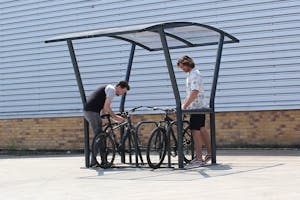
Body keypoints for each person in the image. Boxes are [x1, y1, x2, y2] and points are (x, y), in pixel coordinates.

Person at [83, 81, 130, 167]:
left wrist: (109, 117)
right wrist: (116, 118)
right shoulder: (112, 90)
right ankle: (94, 162)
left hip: (92, 112)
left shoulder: (108, 88)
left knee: (102, 136)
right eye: (123, 91)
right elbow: (106, 107)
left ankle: (103, 161)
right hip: (92, 112)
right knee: (99, 136)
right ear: (118, 87)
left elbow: (104, 109)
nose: (122, 94)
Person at [177, 55, 211, 166]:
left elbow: (194, 92)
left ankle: (199, 158)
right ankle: (210, 153)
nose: (182, 69)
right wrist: (184, 104)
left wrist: (185, 105)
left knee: (195, 131)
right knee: (201, 129)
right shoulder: (192, 74)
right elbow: (190, 93)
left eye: (183, 67)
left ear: (187, 64)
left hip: (196, 107)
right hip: (198, 106)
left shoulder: (195, 74)